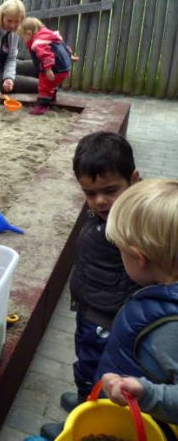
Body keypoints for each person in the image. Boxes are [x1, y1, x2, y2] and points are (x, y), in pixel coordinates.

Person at [40, 131, 141, 441]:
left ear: (134, 180)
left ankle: (89, 420)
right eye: (89, 193)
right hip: (89, 308)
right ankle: (86, 398)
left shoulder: (136, 224)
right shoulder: (101, 210)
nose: (99, 201)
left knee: (101, 368)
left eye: (110, 190)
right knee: (85, 362)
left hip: (111, 319)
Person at [98, 179, 178, 429]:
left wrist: (146, 393)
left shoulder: (169, 328)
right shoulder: (161, 296)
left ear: (138, 258)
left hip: (143, 424)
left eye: (121, 250)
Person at [18, 17, 76, 116]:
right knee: (52, 84)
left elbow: (46, 55)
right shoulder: (50, 35)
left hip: (54, 68)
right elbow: (62, 46)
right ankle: (51, 98)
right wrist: (70, 55)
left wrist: (48, 69)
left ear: (28, 33)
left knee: (44, 85)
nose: (23, 40)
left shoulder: (39, 42)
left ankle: (42, 106)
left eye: (22, 37)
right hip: (64, 68)